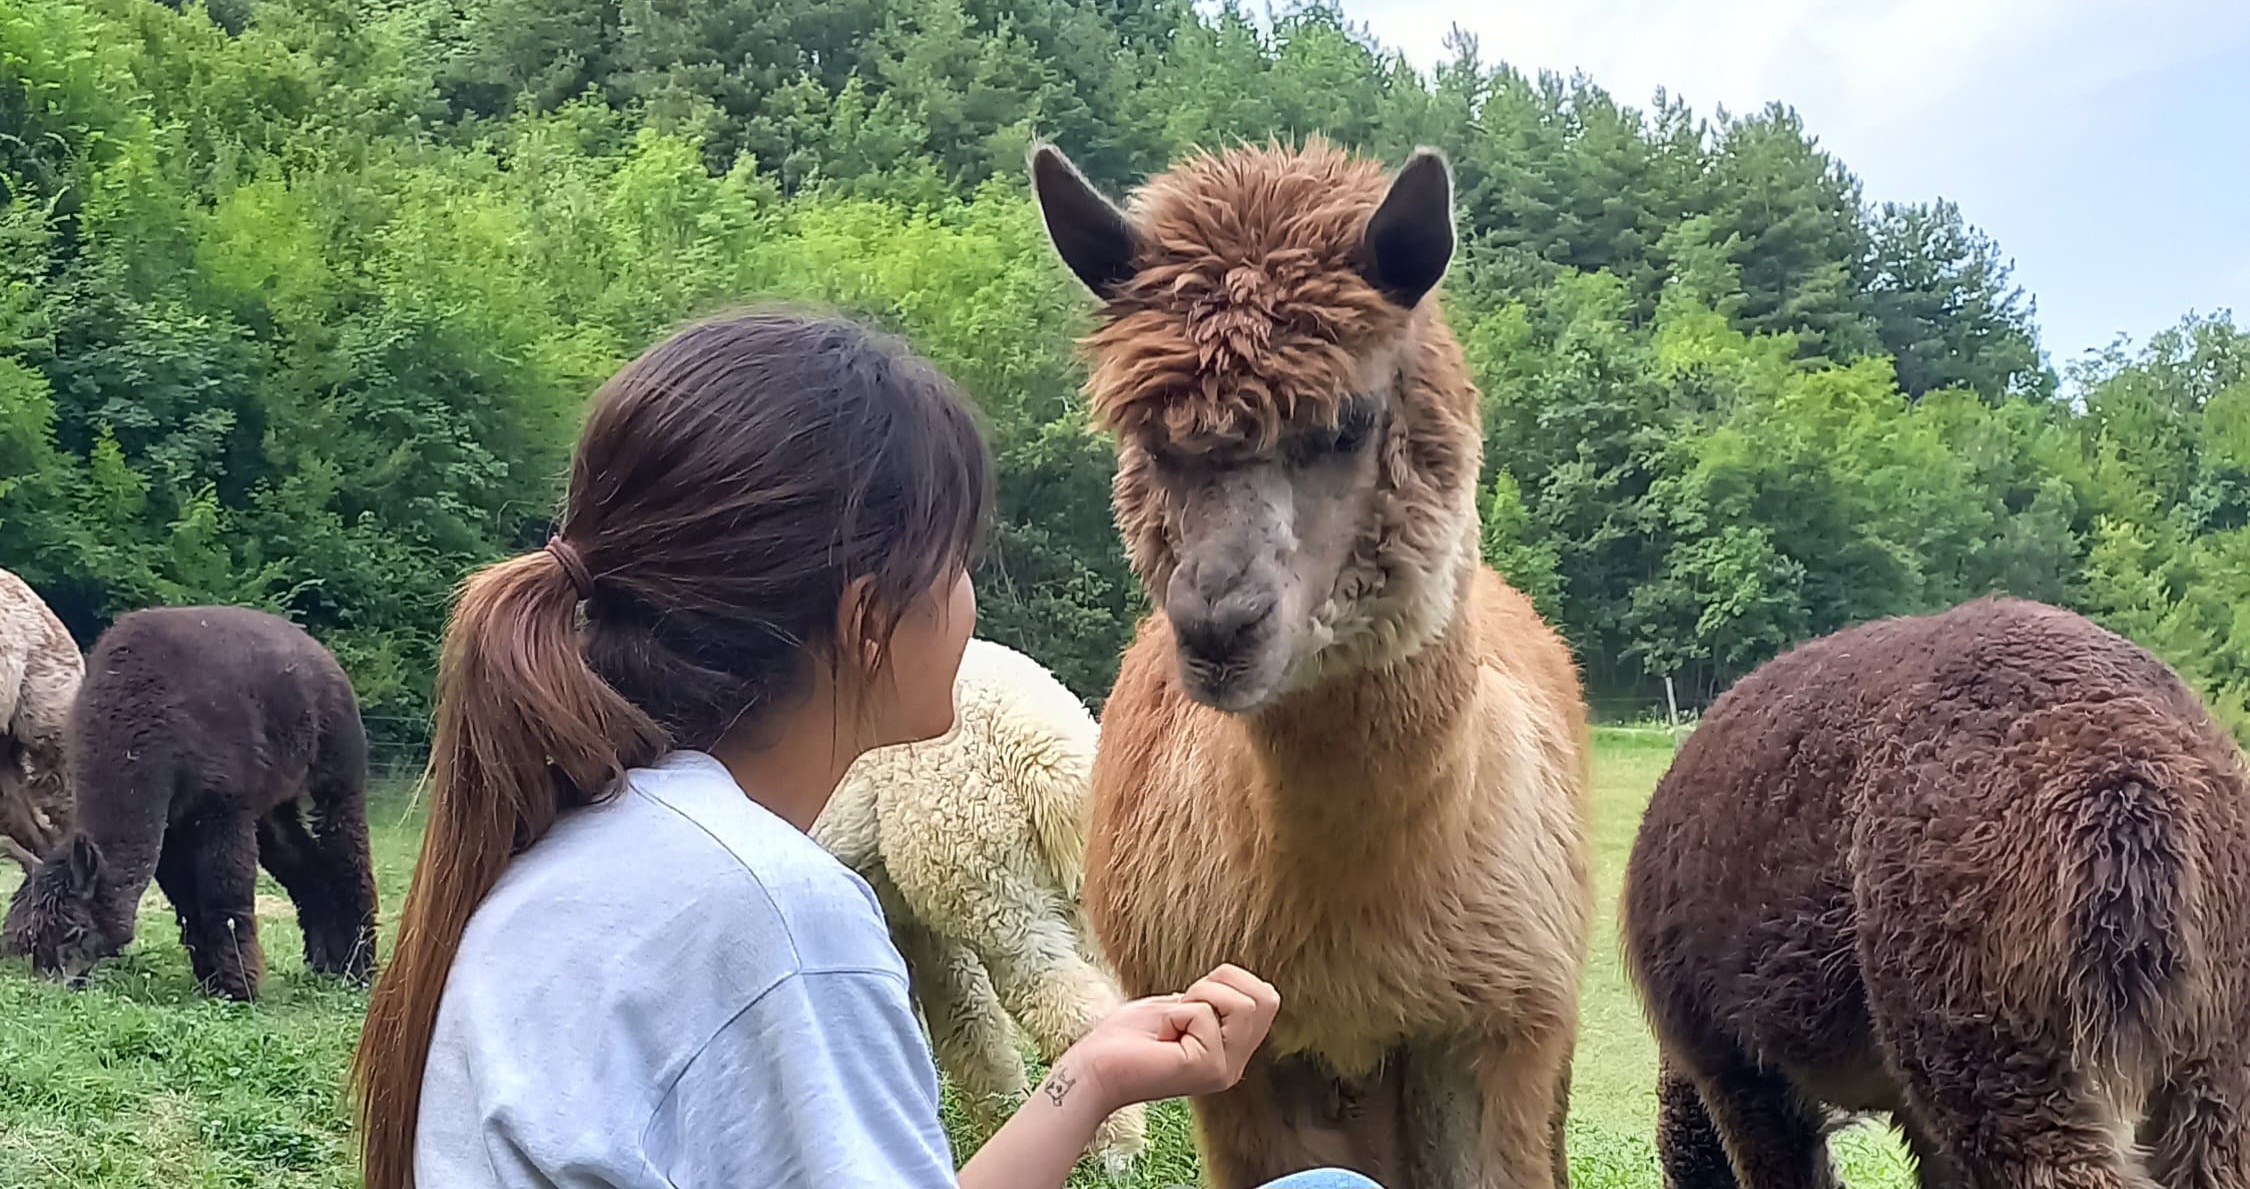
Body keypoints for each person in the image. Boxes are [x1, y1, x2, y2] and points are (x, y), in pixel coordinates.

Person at [349, 308, 1382, 1189]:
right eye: (960, 559)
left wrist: (1090, 1075)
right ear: (867, 619)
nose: (973, 599)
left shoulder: (588, 850)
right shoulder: (775, 921)